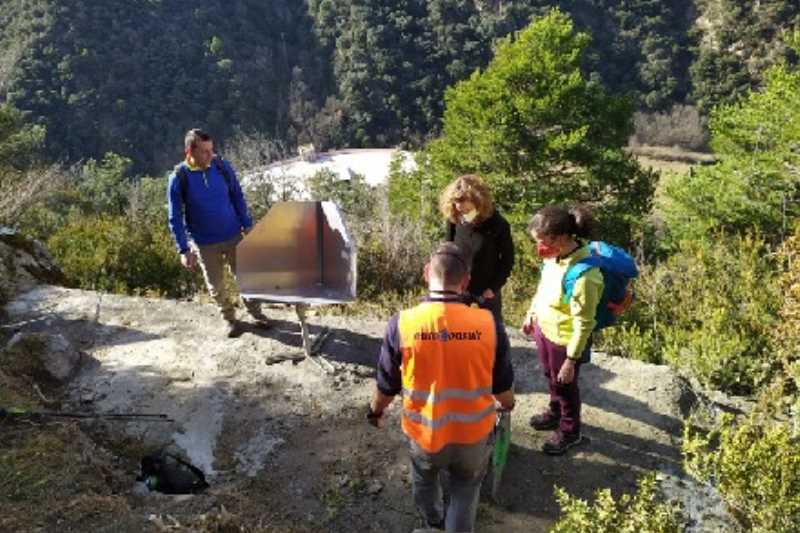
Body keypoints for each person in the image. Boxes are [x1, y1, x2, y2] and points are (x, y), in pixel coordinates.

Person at [367, 242, 515, 532]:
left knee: (424, 479)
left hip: (424, 434)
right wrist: (508, 405)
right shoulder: (488, 323)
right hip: (473, 435)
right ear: (466, 281)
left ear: (426, 273)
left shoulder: (403, 323)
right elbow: (502, 387)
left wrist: (374, 412)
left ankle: (433, 522)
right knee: (466, 488)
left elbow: (386, 385)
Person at [167, 128, 268, 337]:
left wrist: (247, 225)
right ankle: (229, 319)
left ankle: (256, 313)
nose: (210, 155)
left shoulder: (221, 166)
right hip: (204, 243)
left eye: (211, 150)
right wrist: (183, 249)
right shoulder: (179, 177)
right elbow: (175, 216)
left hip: (233, 235)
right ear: (189, 151)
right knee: (216, 286)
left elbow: (237, 196)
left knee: (247, 278)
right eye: (204, 151)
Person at [521, 205, 604, 455]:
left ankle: (570, 431)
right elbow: (542, 289)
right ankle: (555, 412)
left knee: (565, 385)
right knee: (550, 376)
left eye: (541, 240)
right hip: (544, 330)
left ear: (559, 238)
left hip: (565, 341)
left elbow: (584, 323)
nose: (538, 246)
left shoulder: (585, 276)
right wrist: (531, 314)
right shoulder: (553, 257)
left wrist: (571, 359)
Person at [440, 175, 514, 325]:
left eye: (465, 206)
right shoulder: (454, 219)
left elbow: (507, 260)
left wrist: (493, 288)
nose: (460, 210)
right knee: (457, 331)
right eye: (456, 204)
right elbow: (449, 251)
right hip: (459, 288)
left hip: (487, 291)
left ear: (478, 201)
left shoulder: (498, 224)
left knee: (493, 334)